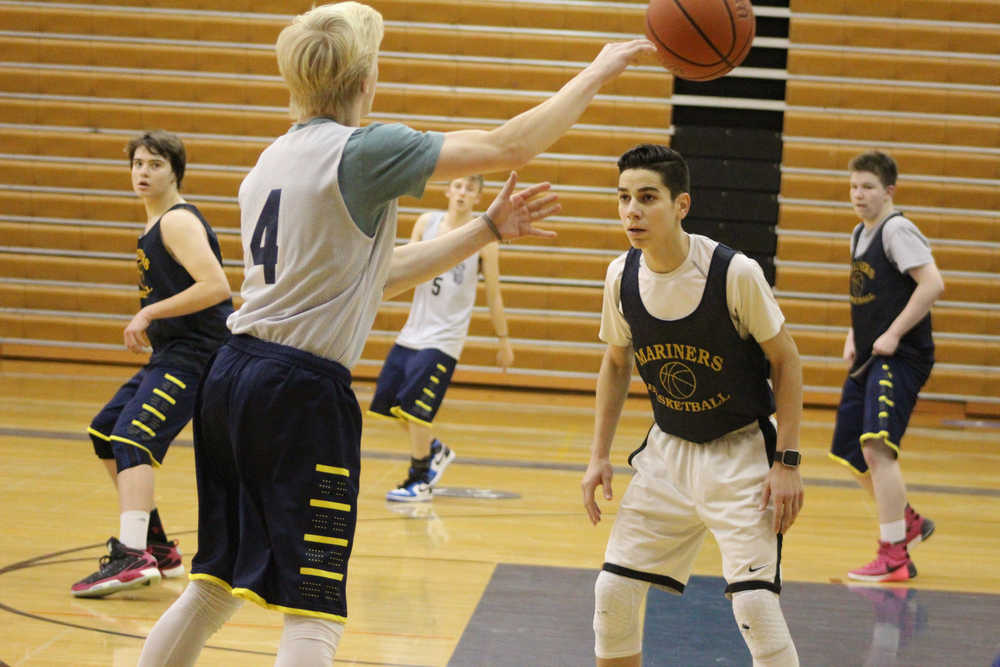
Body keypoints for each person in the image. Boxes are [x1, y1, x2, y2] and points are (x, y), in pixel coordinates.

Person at [138, 3, 654, 664]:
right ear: (365, 80)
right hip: (296, 391)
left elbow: (370, 277)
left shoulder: (270, 161)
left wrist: (486, 230)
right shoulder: (364, 150)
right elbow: (509, 146)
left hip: (233, 376)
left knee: (214, 585)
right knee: (312, 604)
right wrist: (599, 70)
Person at [581, 144, 804, 667]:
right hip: (667, 454)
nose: (631, 210)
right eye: (623, 198)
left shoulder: (733, 273)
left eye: (647, 198)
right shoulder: (621, 276)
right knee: (612, 597)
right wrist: (598, 456)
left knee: (755, 606)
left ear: (681, 205)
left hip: (741, 452)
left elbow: (788, 362)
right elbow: (616, 365)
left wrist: (787, 461)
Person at [72, 130, 234, 598]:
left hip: (199, 356)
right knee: (106, 430)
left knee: (133, 438)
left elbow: (217, 286)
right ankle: (158, 548)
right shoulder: (153, 224)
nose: (143, 172)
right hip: (172, 353)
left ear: (174, 171)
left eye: (155, 165)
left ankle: (132, 555)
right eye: (138, 164)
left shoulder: (177, 222)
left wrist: (148, 312)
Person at [829, 151, 943, 582]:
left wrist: (893, 333)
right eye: (854, 186)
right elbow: (871, 292)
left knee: (877, 447)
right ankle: (908, 521)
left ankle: (894, 553)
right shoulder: (861, 231)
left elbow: (933, 283)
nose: (859, 195)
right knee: (850, 449)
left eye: (868, 187)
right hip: (871, 354)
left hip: (901, 355)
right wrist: (855, 334)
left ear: (888, 191)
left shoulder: (897, 230)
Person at [368, 174, 514, 502]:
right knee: (387, 405)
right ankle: (435, 450)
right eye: (458, 186)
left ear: (478, 197)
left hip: (444, 340)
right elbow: (402, 266)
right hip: (412, 333)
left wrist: (503, 339)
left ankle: (419, 478)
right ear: (448, 190)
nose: (462, 193)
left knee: (415, 410)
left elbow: (494, 294)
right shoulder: (426, 223)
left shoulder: (485, 240)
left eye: (470, 189)